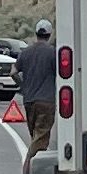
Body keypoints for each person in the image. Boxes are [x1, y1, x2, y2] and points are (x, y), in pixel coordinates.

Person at [15, 20, 58, 153]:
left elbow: (13, 72)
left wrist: (23, 85)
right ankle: (29, 167)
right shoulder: (53, 53)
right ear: (49, 34)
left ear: (36, 33)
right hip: (46, 101)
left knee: (35, 135)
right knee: (41, 137)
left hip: (29, 101)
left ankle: (36, 165)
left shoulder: (25, 52)